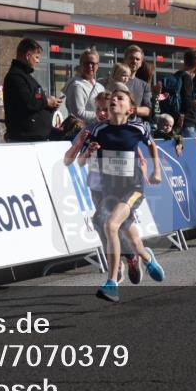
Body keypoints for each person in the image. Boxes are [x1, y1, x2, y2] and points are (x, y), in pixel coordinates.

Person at [79, 89, 165, 303]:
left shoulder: (138, 128)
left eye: (120, 98)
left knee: (110, 225)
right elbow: (81, 160)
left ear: (130, 109)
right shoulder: (98, 130)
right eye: (112, 99)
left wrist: (156, 171)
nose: (114, 101)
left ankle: (112, 282)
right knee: (128, 234)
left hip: (133, 188)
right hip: (109, 190)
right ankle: (146, 257)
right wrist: (89, 151)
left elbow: (152, 145)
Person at [63, 92, 140, 285]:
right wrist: (85, 147)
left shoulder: (121, 130)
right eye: (97, 109)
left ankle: (127, 259)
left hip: (117, 186)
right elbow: (72, 160)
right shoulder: (90, 130)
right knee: (103, 225)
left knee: (110, 224)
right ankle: (123, 261)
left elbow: (135, 152)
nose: (101, 113)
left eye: (105, 109)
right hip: (96, 185)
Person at [2, 39, 60, 142]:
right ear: (28, 56)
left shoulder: (25, 76)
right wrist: (47, 102)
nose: (38, 61)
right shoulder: (16, 77)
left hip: (33, 138)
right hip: (24, 140)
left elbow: (34, 100)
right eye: (36, 57)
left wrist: (51, 105)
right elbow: (29, 103)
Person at [63, 49, 106, 125]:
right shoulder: (76, 85)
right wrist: (102, 115)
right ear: (81, 64)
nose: (90, 66)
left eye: (93, 63)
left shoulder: (100, 86)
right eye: (86, 63)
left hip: (99, 128)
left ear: (98, 65)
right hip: (83, 132)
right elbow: (78, 114)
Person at [122, 45, 153, 120]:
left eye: (137, 59)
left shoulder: (144, 85)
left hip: (135, 127)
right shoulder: (113, 80)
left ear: (141, 63)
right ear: (125, 60)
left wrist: (131, 110)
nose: (134, 61)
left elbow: (148, 110)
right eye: (131, 58)